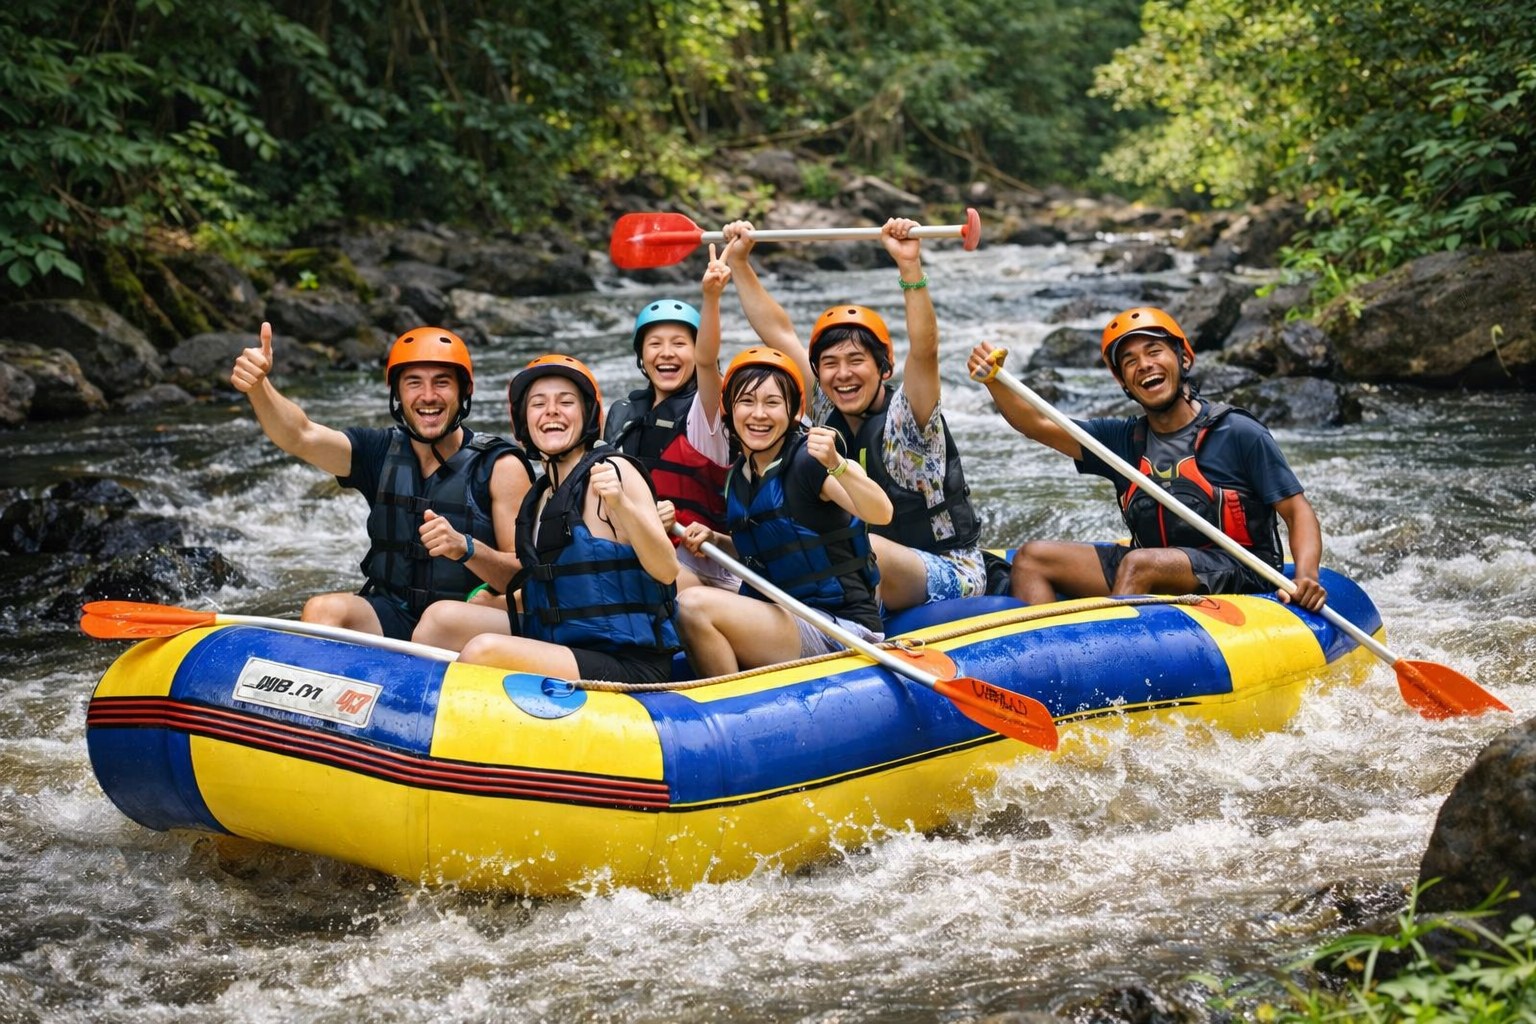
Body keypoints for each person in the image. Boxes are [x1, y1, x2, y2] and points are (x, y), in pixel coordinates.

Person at [966, 306, 1328, 610]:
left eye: (1154, 352)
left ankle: (1109, 663)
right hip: (1153, 563)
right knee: (1031, 559)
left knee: (1141, 564)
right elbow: (1037, 424)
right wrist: (994, 380)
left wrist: (1306, 576)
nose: (1144, 365)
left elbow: (1298, 512)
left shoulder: (1236, 432)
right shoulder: (1122, 440)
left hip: (1241, 571)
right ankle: (1046, 664)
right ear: (1124, 382)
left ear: (1183, 358)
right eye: (1130, 361)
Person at [721, 218, 988, 612]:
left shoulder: (909, 418)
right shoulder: (825, 406)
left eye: (855, 361)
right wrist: (740, 264)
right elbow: (778, 334)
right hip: (861, 565)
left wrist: (909, 267)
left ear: (883, 367)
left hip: (949, 568)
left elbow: (925, 349)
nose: (841, 374)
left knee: (869, 547)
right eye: (829, 363)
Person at [229, 322, 533, 640]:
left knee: (439, 622)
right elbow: (300, 436)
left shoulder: (500, 466)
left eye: (442, 382)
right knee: (323, 611)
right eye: (413, 383)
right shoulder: (378, 452)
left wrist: (467, 549)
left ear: (464, 390)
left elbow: (524, 578)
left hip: (462, 624)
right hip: (394, 612)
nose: (428, 396)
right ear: (398, 394)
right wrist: (258, 387)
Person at [450, 354, 683, 683]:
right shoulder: (541, 496)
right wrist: (497, 599)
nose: (551, 411)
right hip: (564, 644)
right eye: (538, 404)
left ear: (588, 414)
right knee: (440, 621)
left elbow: (666, 569)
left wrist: (622, 505)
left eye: (566, 401)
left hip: (629, 663)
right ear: (523, 420)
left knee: (483, 652)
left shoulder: (615, 471)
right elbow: (561, 585)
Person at [675, 347, 892, 677]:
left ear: (793, 412)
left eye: (772, 403)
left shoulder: (810, 462)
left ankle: (732, 708)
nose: (758, 414)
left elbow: (881, 512)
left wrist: (837, 466)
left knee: (692, 606)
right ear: (729, 410)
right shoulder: (740, 475)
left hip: (840, 630)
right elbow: (775, 548)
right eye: (747, 401)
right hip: (787, 616)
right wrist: (718, 541)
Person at [604, 244, 737, 591]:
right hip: (640, 555)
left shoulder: (704, 413)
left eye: (680, 343)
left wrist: (711, 297)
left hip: (703, 571)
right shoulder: (623, 414)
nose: (666, 353)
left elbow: (709, 361)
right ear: (641, 355)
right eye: (655, 344)